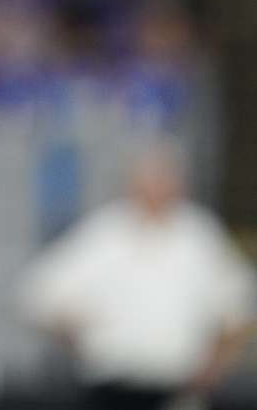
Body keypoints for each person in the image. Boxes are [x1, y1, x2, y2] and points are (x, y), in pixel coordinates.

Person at [20, 140, 257, 410]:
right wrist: (74, 340)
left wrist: (214, 368)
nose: (156, 187)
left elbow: (241, 307)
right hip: (112, 387)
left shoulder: (199, 235)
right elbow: (38, 294)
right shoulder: (105, 233)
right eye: (149, 179)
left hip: (178, 388)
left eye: (164, 178)